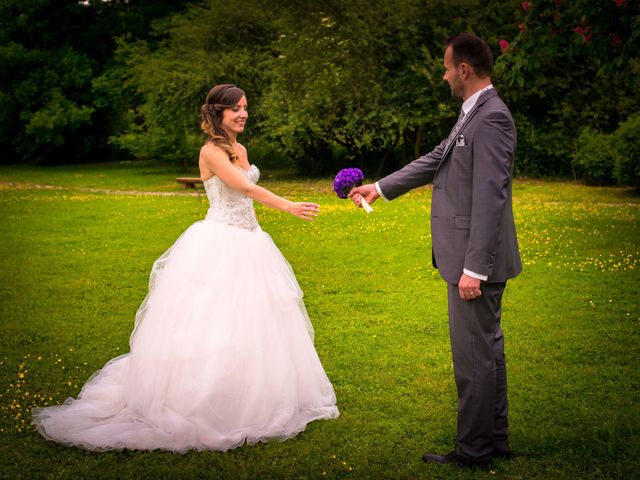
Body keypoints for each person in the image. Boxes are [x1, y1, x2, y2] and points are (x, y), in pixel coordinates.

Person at [32, 84, 339, 452]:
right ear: (218, 113)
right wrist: (287, 205)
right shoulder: (210, 151)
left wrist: (257, 233)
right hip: (218, 242)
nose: (242, 114)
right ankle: (203, 400)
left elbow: (246, 198)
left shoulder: (240, 148)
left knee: (256, 320)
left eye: (245, 108)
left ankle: (250, 392)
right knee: (212, 322)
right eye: (235, 109)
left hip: (250, 241)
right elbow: (242, 187)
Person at [349, 33, 521, 468]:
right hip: (468, 258)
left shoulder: (492, 118)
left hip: (473, 262)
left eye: (446, 68)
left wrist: (475, 269)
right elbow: (438, 158)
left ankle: (474, 452)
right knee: (487, 351)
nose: (444, 76)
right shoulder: (472, 114)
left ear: (463, 69)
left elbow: (490, 197)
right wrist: (381, 188)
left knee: (474, 358)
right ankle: (493, 440)